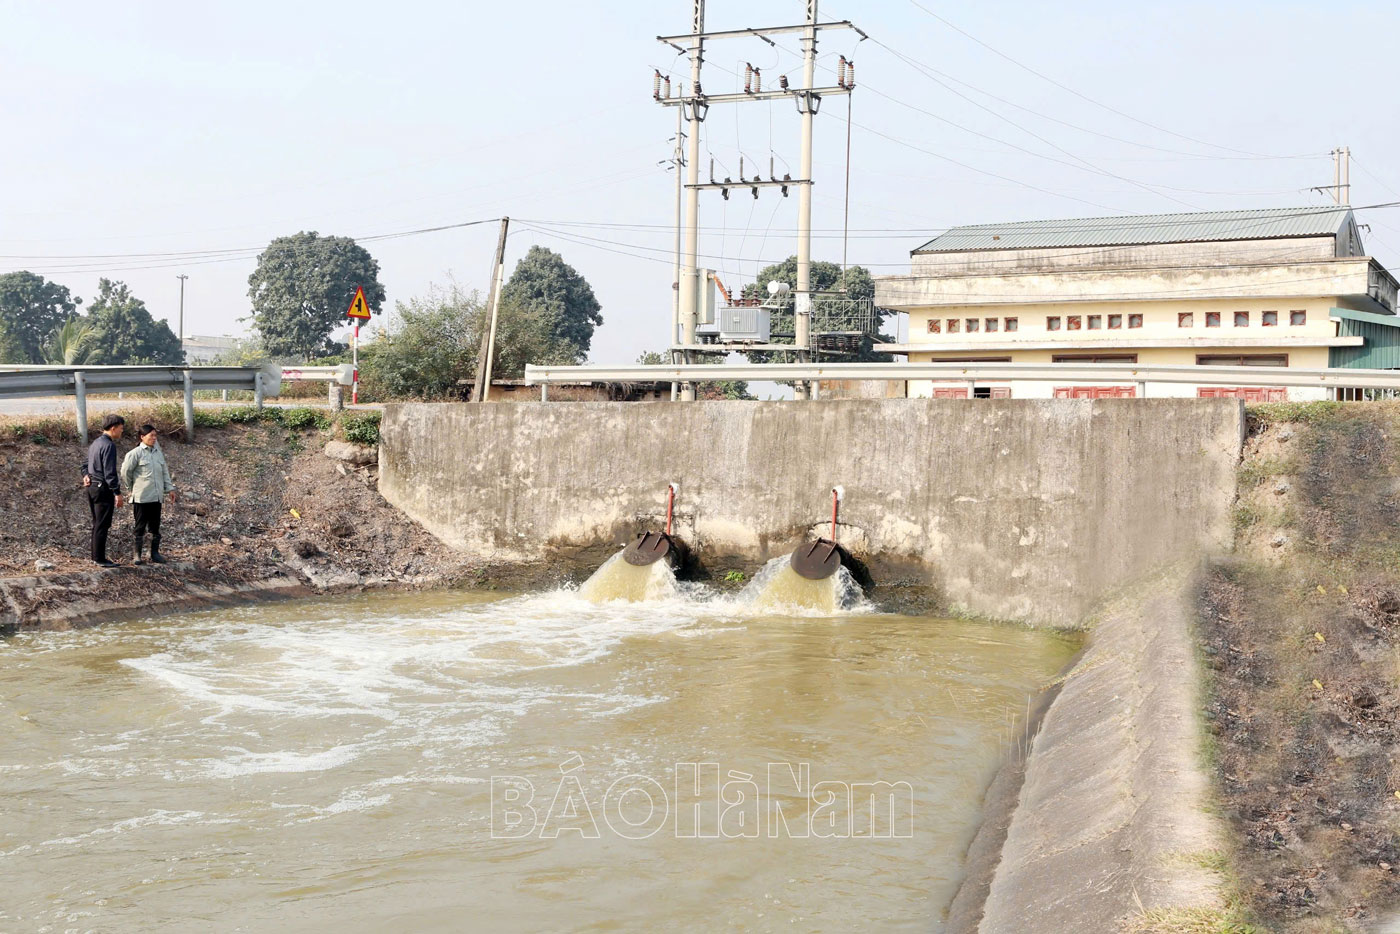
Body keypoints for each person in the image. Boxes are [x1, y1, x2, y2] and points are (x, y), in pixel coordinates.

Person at [120, 424, 177, 565]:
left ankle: (154, 553)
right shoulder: (135, 453)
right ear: (142, 437)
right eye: (151, 435)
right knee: (139, 527)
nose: (154, 438)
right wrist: (132, 487)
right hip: (142, 497)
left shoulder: (158, 453)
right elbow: (125, 473)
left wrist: (169, 488)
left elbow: (164, 472)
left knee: (155, 527)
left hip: (156, 497)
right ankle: (137, 555)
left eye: (155, 435)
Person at [82, 414, 125, 567]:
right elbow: (109, 472)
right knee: (102, 523)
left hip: (92, 487)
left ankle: (96, 556)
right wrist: (117, 492)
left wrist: (85, 475)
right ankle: (100, 559)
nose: (121, 432)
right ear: (113, 428)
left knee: (97, 523)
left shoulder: (96, 443)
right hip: (102, 488)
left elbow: (85, 464)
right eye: (121, 429)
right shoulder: (109, 446)